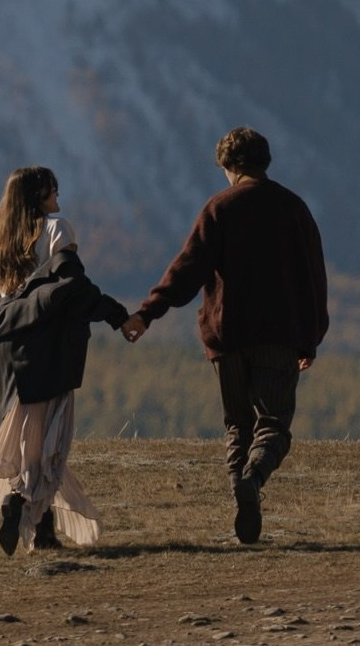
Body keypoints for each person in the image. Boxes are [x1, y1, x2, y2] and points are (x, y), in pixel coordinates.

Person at [122, 126, 328, 545]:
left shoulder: (219, 209)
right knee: (273, 425)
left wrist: (147, 314)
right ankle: (253, 480)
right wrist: (311, 339)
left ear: (227, 166)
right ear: (264, 162)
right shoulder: (294, 209)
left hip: (226, 336)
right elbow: (314, 280)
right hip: (280, 336)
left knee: (238, 425)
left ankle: (242, 492)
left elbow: (186, 270)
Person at [0, 166, 131, 555]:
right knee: (50, 443)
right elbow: (75, 289)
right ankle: (18, 500)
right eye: (53, 192)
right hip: (51, 350)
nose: (58, 201)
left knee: (27, 441)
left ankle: (43, 534)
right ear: (39, 197)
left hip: (8, 355)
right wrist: (119, 317)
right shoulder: (56, 230)